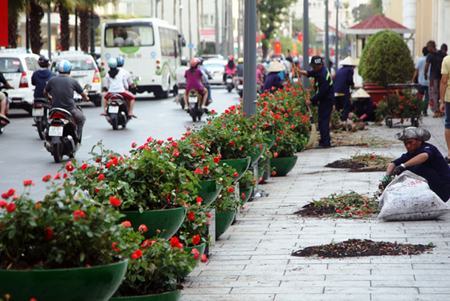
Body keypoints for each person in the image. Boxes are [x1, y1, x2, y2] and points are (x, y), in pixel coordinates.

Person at [386, 127, 450, 202]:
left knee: (415, 168)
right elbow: (393, 163)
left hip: (443, 187)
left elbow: (425, 156)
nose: (408, 146)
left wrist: (403, 165)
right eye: (405, 144)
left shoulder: (428, 148)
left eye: (410, 142)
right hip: (430, 187)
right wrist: (387, 177)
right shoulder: (411, 153)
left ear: (419, 141)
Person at [44, 60, 88, 142]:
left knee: (48, 121)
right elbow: (83, 94)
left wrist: (49, 97)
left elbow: (45, 92)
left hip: (54, 109)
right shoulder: (73, 81)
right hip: (69, 110)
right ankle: (77, 138)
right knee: (82, 119)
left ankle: (46, 133)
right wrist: (86, 98)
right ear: (69, 70)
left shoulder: (52, 80)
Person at [300, 56, 334, 148]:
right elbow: (314, 73)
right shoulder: (320, 70)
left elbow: (322, 92)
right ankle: (323, 140)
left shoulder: (323, 75)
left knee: (323, 121)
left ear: (320, 65)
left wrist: (311, 100)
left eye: (315, 66)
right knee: (321, 120)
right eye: (313, 66)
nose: (313, 68)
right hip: (324, 100)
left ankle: (325, 143)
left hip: (327, 100)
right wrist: (306, 73)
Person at [425, 41, 445, 117]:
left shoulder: (430, 55)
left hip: (433, 78)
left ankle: (436, 111)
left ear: (431, 46)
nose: (427, 49)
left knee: (433, 94)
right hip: (441, 77)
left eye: (428, 47)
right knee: (440, 94)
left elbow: (426, 66)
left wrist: (425, 74)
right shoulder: (441, 53)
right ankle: (441, 110)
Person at [334, 56, 356, 123]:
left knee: (338, 106)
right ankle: (344, 120)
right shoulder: (350, 70)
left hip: (336, 91)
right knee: (346, 105)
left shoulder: (339, 70)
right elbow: (349, 80)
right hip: (343, 91)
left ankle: (337, 120)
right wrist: (353, 85)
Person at [412, 47, 430, 116]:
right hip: (428, 81)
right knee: (427, 97)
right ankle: (425, 111)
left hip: (421, 81)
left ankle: (419, 110)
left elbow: (416, 71)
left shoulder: (420, 60)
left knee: (420, 96)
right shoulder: (429, 60)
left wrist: (413, 79)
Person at [439, 53, 450, 162]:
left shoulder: (447, 60)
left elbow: (444, 81)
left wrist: (441, 101)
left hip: (449, 98)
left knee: (448, 124)